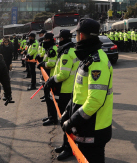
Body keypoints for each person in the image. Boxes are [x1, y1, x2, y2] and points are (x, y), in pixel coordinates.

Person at [61, 19, 113, 163]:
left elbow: (95, 100)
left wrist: (72, 120)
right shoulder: (88, 57)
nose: (75, 38)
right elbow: (80, 92)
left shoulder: (97, 61)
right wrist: (67, 111)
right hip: (87, 125)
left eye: (76, 34)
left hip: (95, 127)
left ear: (81, 35)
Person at [49, 29, 80, 160]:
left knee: (66, 121)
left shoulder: (66, 54)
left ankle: (69, 148)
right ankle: (66, 144)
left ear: (62, 39)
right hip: (71, 90)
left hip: (65, 91)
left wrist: (52, 80)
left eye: (59, 38)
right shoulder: (72, 50)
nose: (57, 40)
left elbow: (64, 74)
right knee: (66, 121)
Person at [38, 32, 59, 125]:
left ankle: (53, 118)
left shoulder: (52, 49)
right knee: (47, 98)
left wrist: (43, 64)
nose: (44, 41)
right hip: (47, 76)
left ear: (50, 40)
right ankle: (50, 115)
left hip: (50, 77)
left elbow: (51, 64)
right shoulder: (49, 49)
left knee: (50, 99)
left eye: (46, 39)